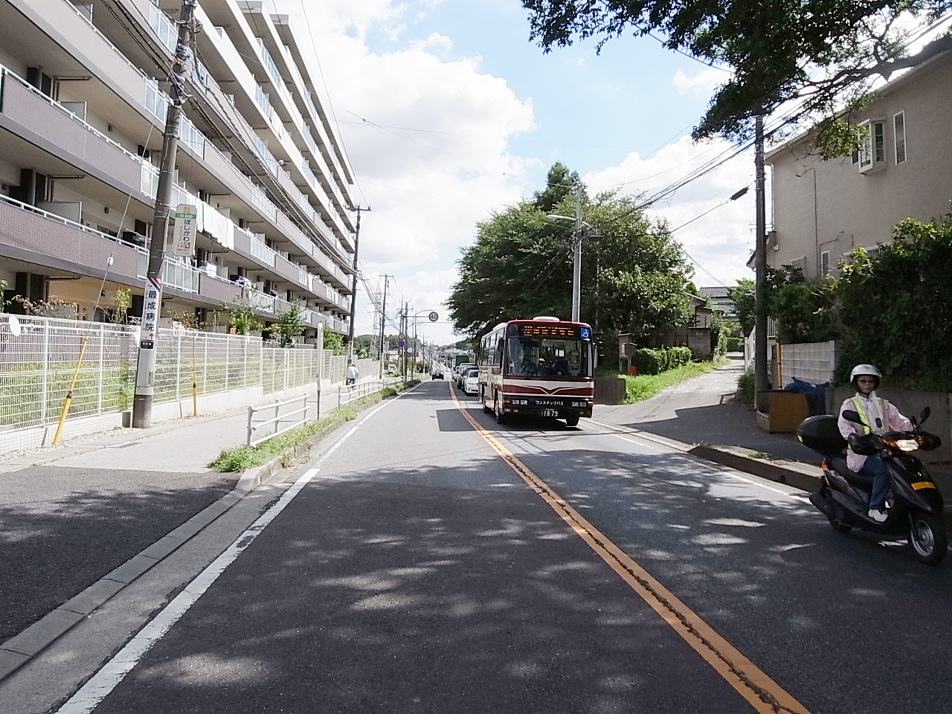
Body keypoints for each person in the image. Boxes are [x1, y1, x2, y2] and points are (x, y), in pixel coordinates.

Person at [837, 364, 912, 523]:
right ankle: (875, 507)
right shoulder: (850, 404)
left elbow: (899, 420)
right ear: (856, 383)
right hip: (862, 454)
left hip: (884, 449)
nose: (867, 384)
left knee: (903, 466)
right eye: (863, 381)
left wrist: (914, 430)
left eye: (870, 381)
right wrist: (854, 438)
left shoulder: (883, 404)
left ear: (875, 383)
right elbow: (844, 425)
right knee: (883, 469)